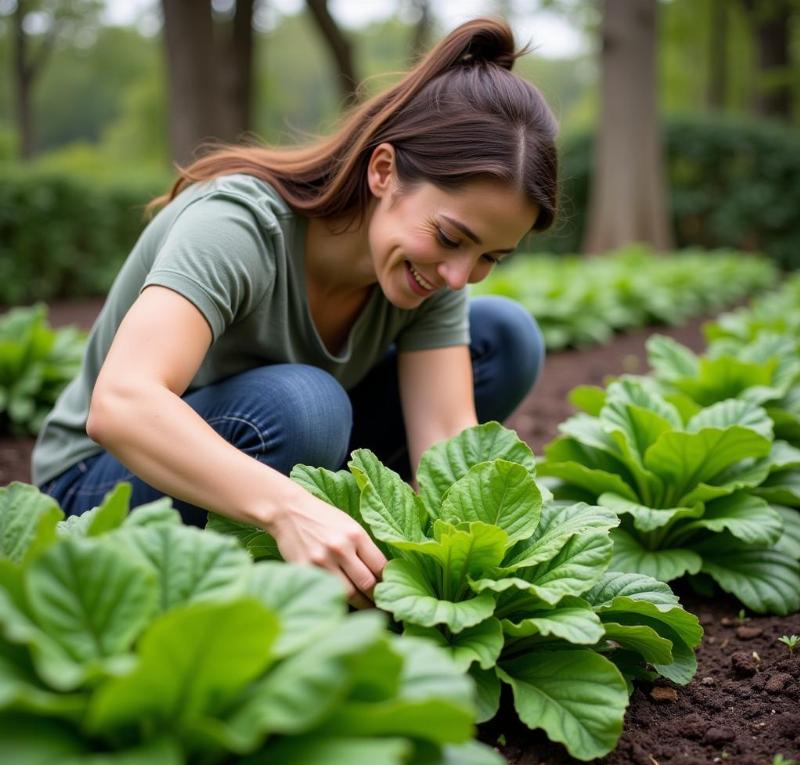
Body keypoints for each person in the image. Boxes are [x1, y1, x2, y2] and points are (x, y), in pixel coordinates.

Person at [32, 17, 558, 608]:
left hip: (277, 463)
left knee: (505, 337)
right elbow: (122, 405)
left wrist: (478, 576)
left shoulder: (433, 274)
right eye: (451, 236)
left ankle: (330, 550)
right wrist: (290, 510)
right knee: (306, 407)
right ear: (383, 171)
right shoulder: (236, 224)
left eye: (491, 255)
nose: (460, 275)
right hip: (100, 484)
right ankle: (284, 549)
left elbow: (447, 449)